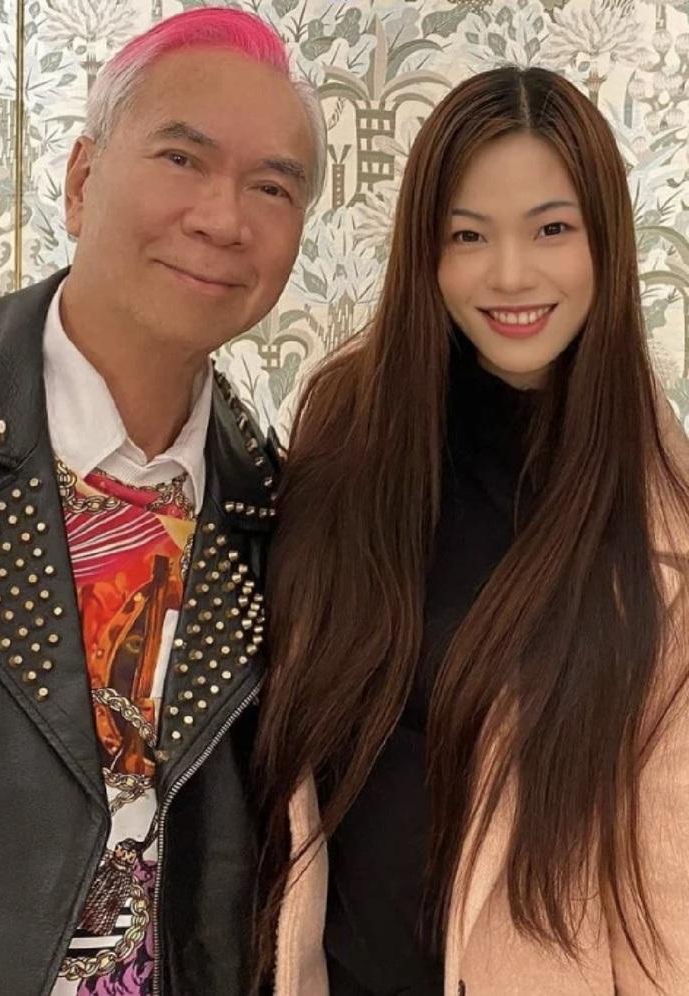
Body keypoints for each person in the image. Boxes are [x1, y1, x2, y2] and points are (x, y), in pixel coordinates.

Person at [0, 8, 326, 995]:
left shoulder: (285, 519)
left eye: (272, 186)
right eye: (182, 158)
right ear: (82, 179)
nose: (222, 218)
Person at [255, 66, 689, 995]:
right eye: (468, 235)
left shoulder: (663, 527)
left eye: (552, 229)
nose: (511, 274)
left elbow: (670, 885)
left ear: (607, 240)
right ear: (427, 250)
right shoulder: (347, 433)